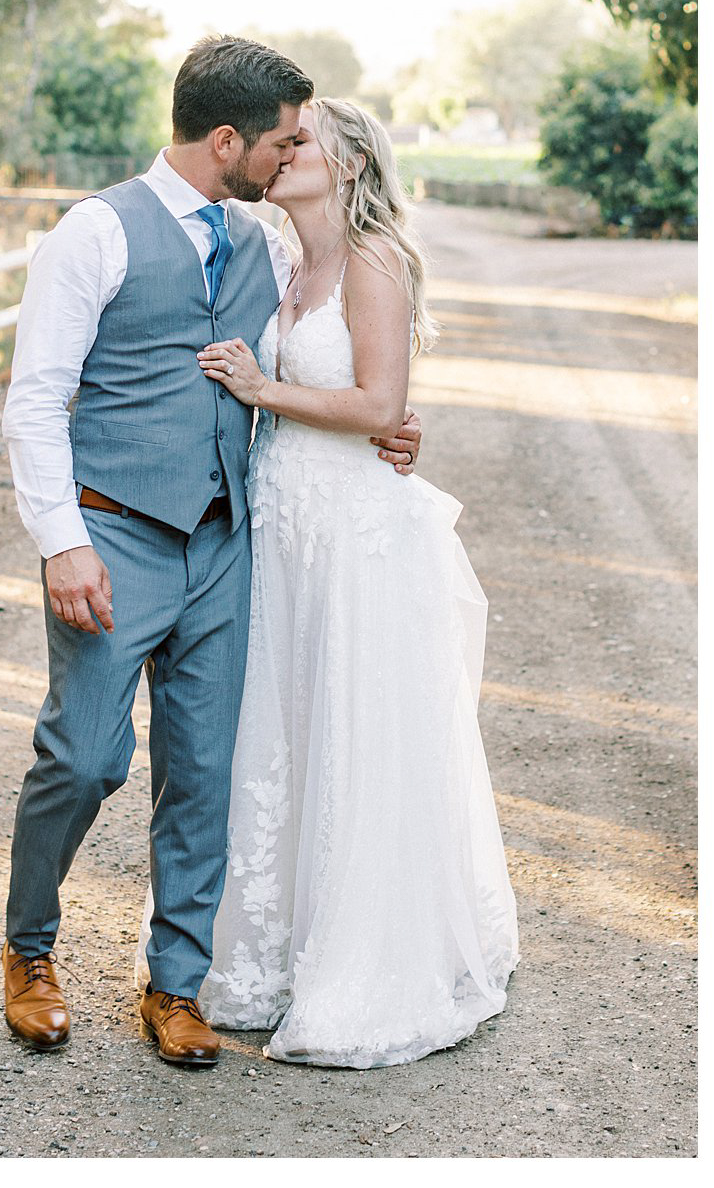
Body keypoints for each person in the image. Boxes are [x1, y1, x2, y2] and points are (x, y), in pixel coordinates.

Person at [0, 36, 424, 1066]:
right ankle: (27, 949)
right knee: (85, 755)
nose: (286, 158)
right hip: (109, 536)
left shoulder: (267, 245)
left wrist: (384, 424)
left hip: (227, 544)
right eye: (276, 142)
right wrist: (61, 544)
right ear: (225, 139)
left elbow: (330, 352)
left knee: (203, 774)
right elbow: (34, 400)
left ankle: (175, 983)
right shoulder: (92, 233)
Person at [194, 97, 518, 1066]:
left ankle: (366, 960)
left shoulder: (374, 258)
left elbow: (379, 400)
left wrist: (263, 390)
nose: (280, 153)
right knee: (284, 724)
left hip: (355, 530)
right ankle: (266, 954)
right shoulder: (280, 260)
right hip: (284, 523)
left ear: (346, 165)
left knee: (354, 727)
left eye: (300, 142)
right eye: (279, 140)